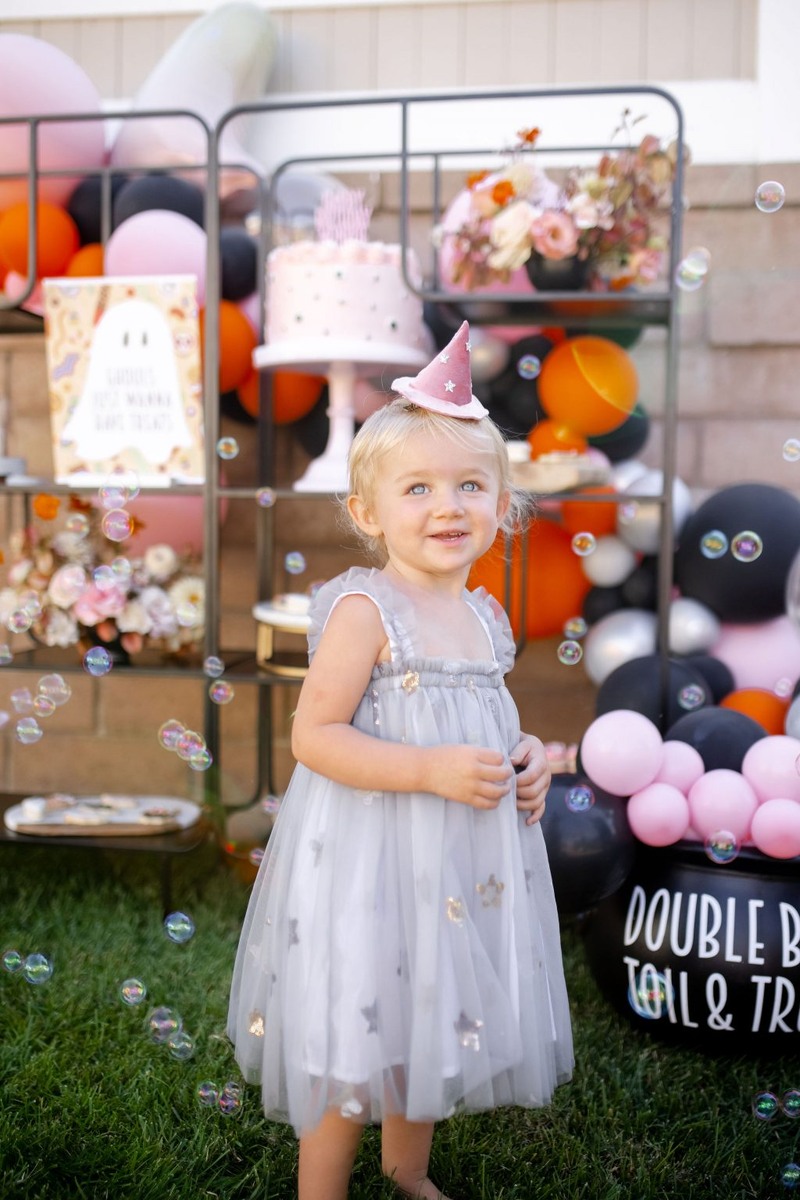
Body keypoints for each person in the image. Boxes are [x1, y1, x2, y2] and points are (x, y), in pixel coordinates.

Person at [227, 321, 573, 1200]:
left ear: (504, 505)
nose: (447, 506)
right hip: (373, 860)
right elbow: (314, 736)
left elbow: (490, 720)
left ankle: (406, 1169)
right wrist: (423, 771)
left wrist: (527, 757)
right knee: (358, 1025)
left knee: (432, 1008)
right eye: (417, 488)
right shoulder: (364, 611)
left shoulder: (485, 616)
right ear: (368, 514)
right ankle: (323, 1190)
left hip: (456, 860)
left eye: (470, 485)